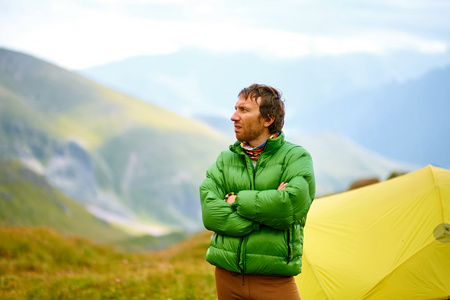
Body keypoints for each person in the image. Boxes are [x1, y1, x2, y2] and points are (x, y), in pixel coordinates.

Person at [199, 83, 316, 300]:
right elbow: (210, 212)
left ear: (268, 119)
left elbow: (287, 208)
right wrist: (264, 217)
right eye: (236, 108)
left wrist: (235, 200)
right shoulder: (226, 159)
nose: (234, 117)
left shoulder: (296, 157)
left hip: (274, 280)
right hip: (227, 277)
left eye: (243, 110)